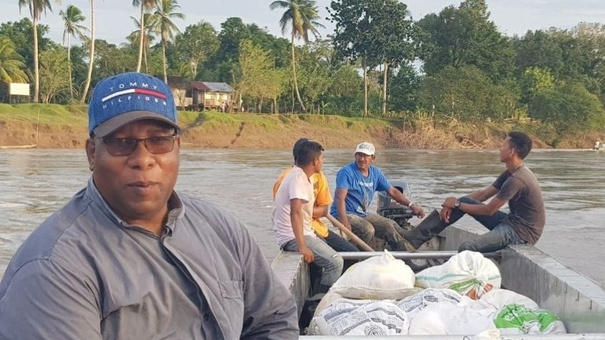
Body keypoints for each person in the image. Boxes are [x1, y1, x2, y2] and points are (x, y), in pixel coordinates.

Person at [0, 72, 298, 339]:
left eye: (158, 141)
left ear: (177, 147)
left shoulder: (220, 229)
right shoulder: (53, 269)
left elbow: (274, 321)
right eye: (121, 142)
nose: (143, 159)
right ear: (92, 153)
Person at [403, 131, 545, 253]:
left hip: (521, 233)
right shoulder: (510, 172)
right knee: (465, 201)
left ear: (511, 151)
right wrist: (452, 204)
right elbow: (483, 195)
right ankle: (414, 239)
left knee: (467, 247)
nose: (499, 148)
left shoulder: (517, 179)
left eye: (503, 146)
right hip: (511, 221)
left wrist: (457, 204)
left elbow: (489, 210)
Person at [272, 139, 344, 293]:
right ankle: (319, 303)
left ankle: (318, 294)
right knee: (336, 262)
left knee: (330, 258)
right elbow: (295, 212)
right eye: (322, 159)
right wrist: (303, 246)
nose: (322, 162)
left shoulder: (304, 177)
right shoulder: (298, 178)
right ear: (314, 161)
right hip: (292, 237)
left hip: (304, 233)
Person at [330, 142, 425, 251]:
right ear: (355, 156)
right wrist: (344, 221)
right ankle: (360, 259)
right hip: (344, 213)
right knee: (367, 229)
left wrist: (412, 206)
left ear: (373, 158)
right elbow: (339, 198)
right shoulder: (346, 172)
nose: (361, 159)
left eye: (365, 156)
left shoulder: (376, 173)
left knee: (389, 224)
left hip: (362, 214)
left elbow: (393, 191)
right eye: (359, 155)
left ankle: (404, 254)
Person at [273, 138, 359, 252]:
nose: (321, 161)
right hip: (299, 232)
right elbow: (288, 212)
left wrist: (305, 210)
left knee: (353, 252)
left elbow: (324, 210)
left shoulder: (318, 176)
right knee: (328, 260)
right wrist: (305, 211)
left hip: (318, 228)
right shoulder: (287, 179)